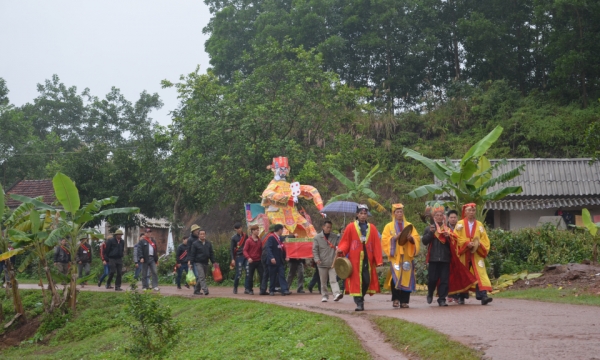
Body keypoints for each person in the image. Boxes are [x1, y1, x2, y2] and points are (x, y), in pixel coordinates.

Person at [336, 205, 383, 311]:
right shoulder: (350, 227)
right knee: (356, 280)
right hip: (355, 259)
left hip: (368, 258)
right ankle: (359, 303)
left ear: (367, 215)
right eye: (361, 213)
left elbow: (376, 244)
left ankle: (361, 297)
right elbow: (346, 242)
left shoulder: (372, 228)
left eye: (365, 213)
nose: (363, 216)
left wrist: (378, 259)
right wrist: (341, 250)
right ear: (357, 214)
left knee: (366, 280)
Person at [381, 204, 420, 308]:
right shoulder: (388, 226)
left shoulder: (409, 225)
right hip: (396, 257)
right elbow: (384, 240)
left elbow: (416, 238)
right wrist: (394, 238)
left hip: (407, 256)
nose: (399, 214)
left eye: (401, 212)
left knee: (407, 277)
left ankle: (404, 301)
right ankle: (396, 299)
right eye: (397, 212)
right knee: (396, 277)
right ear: (394, 214)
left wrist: (411, 239)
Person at [455, 203, 493, 305]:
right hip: (464, 253)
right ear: (465, 212)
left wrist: (478, 244)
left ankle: (483, 296)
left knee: (480, 273)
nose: (471, 212)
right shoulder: (460, 224)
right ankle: (461, 296)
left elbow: (485, 239)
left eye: (473, 211)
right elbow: (456, 237)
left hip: (476, 253)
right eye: (469, 211)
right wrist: (467, 243)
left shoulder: (480, 225)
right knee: (463, 273)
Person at [421, 204, 452, 306]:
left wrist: (448, 237)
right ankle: (430, 292)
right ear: (434, 217)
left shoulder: (447, 229)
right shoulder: (429, 228)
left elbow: (454, 244)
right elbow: (424, 241)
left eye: (441, 215)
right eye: (437, 215)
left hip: (445, 258)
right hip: (433, 258)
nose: (439, 217)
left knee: (444, 280)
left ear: (443, 217)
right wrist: (430, 233)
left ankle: (442, 299)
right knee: (432, 279)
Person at [312, 220, 342, 302]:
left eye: (330, 227)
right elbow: (315, 250)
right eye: (327, 227)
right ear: (323, 227)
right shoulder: (317, 237)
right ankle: (324, 295)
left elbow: (339, 244)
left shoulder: (334, 236)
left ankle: (336, 294)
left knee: (333, 280)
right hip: (322, 263)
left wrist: (342, 235)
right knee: (323, 281)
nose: (329, 229)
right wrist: (316, 259)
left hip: (332, 262)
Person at [265, 224, 291, 296]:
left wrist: (286, 256)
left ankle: (284, 289)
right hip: (273, 261)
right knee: (272, 276)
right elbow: (269, 249)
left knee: (282, 275)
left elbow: (283, 248)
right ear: (279, 230)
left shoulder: (280, 238)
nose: (282, 231)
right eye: (282, 230)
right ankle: (271, 289)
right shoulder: (271, 238)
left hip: (280, 261)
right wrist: (271, 257)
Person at [187, 230, 216, 296]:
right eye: (201, 234)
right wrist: (191, 263)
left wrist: (213, 262)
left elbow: (211, 253)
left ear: (205, 235)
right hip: (198, 262)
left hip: (206, 262)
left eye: (203, 234)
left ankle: (196, 290)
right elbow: (192, 254)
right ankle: (205, 290)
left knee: (202, 277)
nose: (202, 235)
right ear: (199, 235)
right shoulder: (195, 244)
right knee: (201, 276)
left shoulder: (208, 243)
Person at [243, 225, 263, 295]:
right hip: (251, 261)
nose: (258, 231)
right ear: (253, 231)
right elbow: (245, 250)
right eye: (257, 230)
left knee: (262, 275)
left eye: (258, 230)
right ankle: (249, 289)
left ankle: (262, 289)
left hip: (259, 260)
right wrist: (248, 258)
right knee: (250, 276)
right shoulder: (248, 240)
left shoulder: (259, 240)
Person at [230, 223, 248, 294]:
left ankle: (247, 288)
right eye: (238, 229)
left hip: (246, 256)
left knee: (248, 271)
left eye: (240, 228)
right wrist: (232, 259)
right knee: (239, 273)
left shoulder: (245, 236)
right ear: (235, 229)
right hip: (238, 256)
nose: (239, 230)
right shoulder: (234, 238)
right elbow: (231, 249)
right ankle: (235, 287)